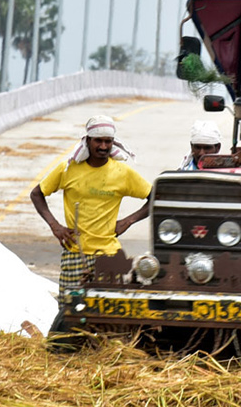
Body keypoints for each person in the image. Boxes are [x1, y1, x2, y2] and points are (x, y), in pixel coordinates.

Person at [30, 115, 152, 302]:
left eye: (108, 141)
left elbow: (155, 197)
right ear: (88, 140)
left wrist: (128, 221)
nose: (103, 147)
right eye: (98, 141)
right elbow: (37, 194)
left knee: (109, 314)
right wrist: (55, 226)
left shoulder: (123, 173)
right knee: (69, 311)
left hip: (110, 256)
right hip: (75, 254)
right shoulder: (68, 169)